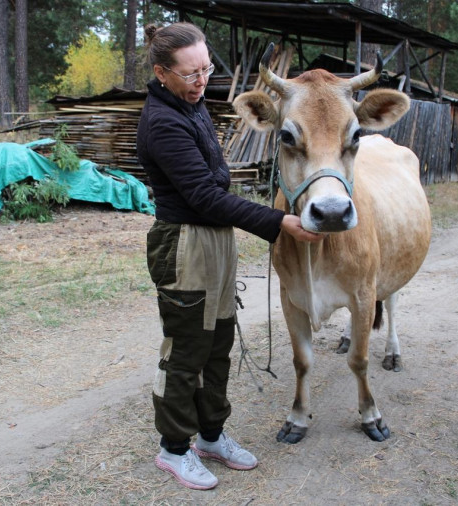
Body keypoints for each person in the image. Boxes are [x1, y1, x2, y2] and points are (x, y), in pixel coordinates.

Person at [137, 22, 322, 491]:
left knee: (218, 343)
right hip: (185, 244)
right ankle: (174, 449)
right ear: (162, 73)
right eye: (189, 74)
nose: (202, 81)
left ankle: (211, 436)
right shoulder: (162, 122)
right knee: (186, 351)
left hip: (215, 239)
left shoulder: (192, 105)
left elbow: (213, 185)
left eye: (207, 69)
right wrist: (279, 222)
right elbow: (203, 194)